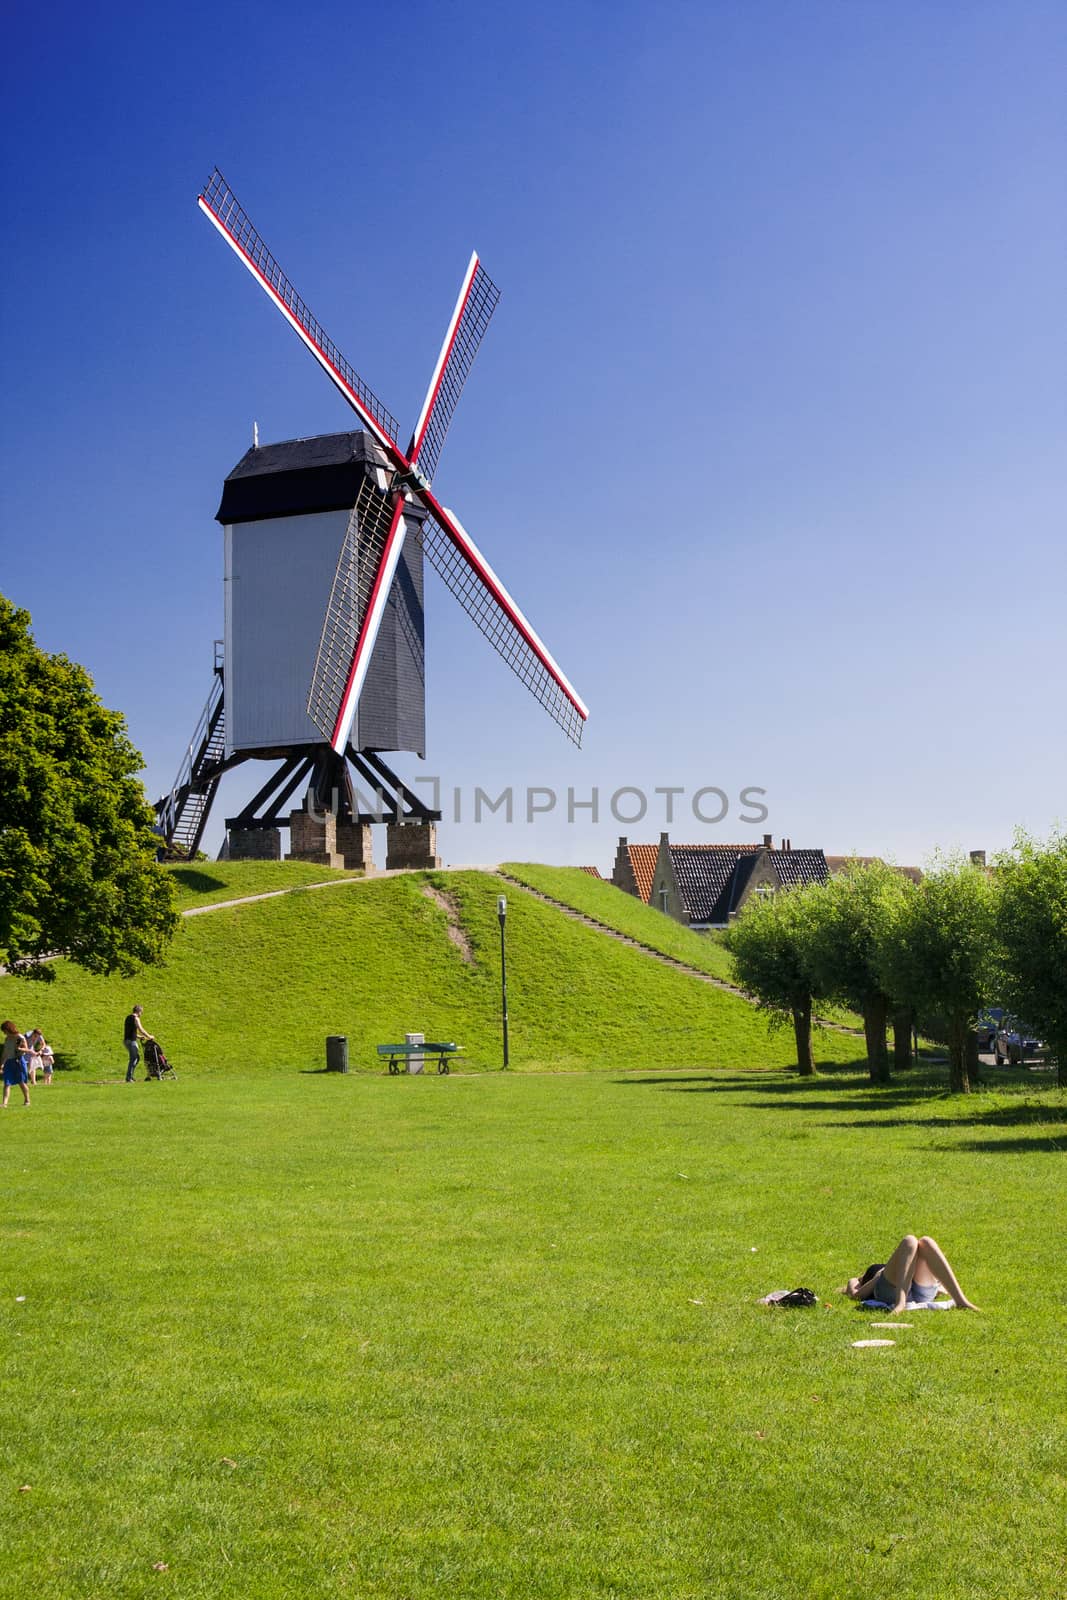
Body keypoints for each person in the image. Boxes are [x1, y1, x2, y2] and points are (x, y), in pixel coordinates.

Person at [840, 1234, 980, 1313]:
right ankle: (900, 1303)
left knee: (926, 1242)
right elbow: (856, 1295)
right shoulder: (869, 1276)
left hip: (919, 1290)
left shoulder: (902, 1264)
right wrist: (876, 1278)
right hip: (890, 1293)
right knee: (910, 1241)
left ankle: (961, 1300)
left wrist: (939, 1288)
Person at [1, 1020, 31, 1108]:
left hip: (18, 1061)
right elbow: (5, 1053)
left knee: (21, 1082)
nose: (4, 1033)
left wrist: (19, 1049)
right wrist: (2, 1064)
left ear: (8, 1029)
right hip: (9, 1062)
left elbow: (27, 1049)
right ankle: (4, 1103)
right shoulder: (7, 1039)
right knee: (7, 1083)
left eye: (4, 1031)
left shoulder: (20, 1037)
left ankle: (27, 1100)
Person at [123, 1005, 153, 1083]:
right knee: (134, 1059)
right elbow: (141, 1029)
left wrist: (140, 1037)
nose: (141, 1014)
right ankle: (128, 1078)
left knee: (136, 1058)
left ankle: (130, 1076)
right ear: (138, 1011)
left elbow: (131, 1032)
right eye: (141, 1012)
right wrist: (149, 1036)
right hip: (132, 1042)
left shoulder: (128, 1018)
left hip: (127, 1041)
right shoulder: (136, 1018)